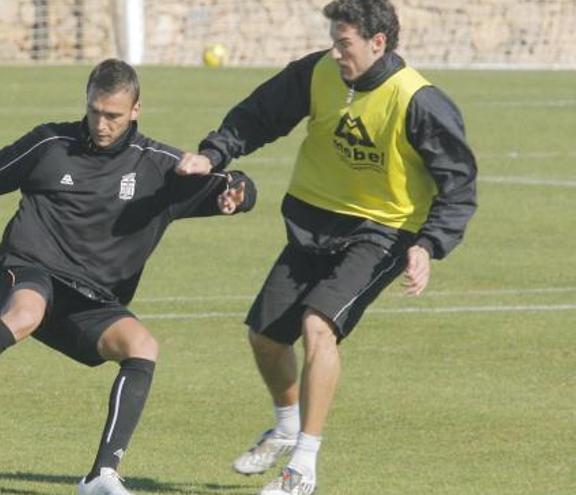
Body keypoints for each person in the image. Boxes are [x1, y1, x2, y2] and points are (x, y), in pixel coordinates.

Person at [0, 58, 256, 495]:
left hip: (91, 298)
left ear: (135, 110)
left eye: (113, 115)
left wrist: (239, 192)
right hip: (27, 267)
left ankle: (101, 475)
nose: (101, 123)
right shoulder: (51, 143)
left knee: (142, 346)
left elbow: (237, 187)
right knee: (26, 312)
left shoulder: (160, 168)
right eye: (95, 111)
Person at [177, 1, 477, 494]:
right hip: (312, 223)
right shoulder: (317, 72)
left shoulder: (418, 101)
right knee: (266, 337)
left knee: (318, 327)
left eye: (346, 44)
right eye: (334, 41)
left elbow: (459, 184)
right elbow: (259, 115)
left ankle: (303, 467)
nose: (336, 53)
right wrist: (214, 153)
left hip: (382, 232)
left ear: (377, 43)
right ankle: (287, 425)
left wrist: (428, 245)